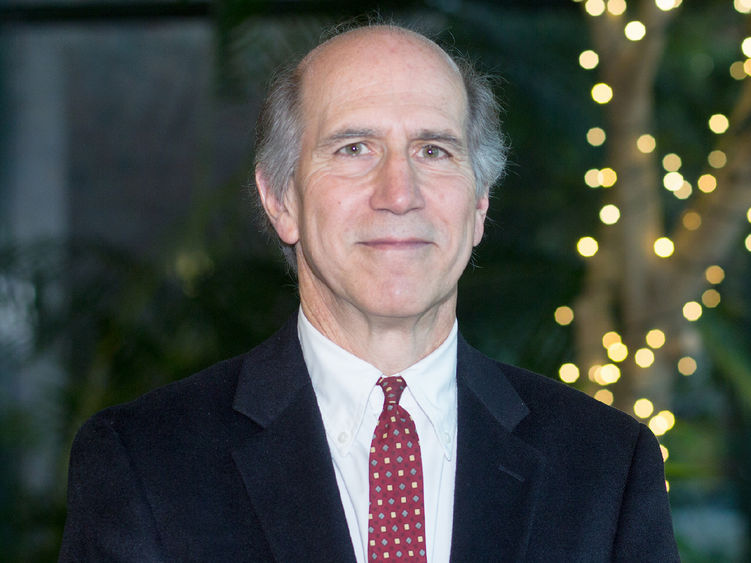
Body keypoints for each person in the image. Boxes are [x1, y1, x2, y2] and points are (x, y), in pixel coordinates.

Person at [59, 22, 679, 562]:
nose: (399, 192)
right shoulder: (146, 462)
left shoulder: (607, 468)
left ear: (480, 204)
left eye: (433, 150)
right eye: (354, 149)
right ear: (281, 199)